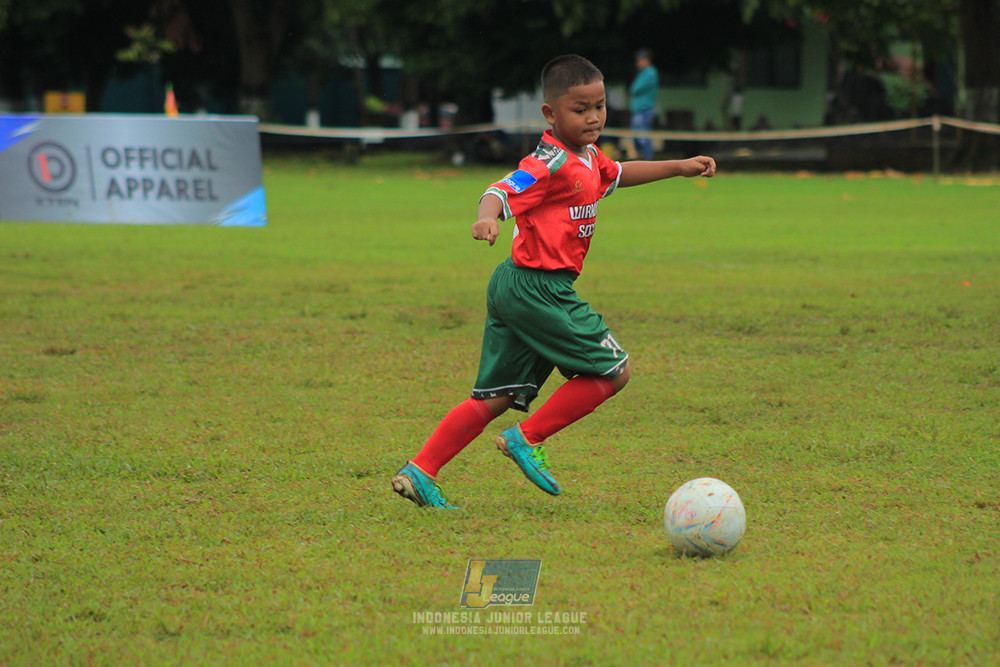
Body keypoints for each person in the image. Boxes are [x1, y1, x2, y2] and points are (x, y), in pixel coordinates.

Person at [391, 54, 716, 509]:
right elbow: (501, 189)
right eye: (579, 109)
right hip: (537, 289)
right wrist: (487, 219)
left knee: (498, 395)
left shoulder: (588, 157)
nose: (593, 117)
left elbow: (619, 174)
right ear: (550, 113)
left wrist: (678, 166)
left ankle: (420, 470)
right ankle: (528, 438)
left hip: (516, 285)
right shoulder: (549, 160)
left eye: (599, 106)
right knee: (613, 370)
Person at [629, 48, 659, 160]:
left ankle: (647, 160)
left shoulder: (650, 72)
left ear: (646, 60)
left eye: (640, 60)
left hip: (645, 110)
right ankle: (640, 159)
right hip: (638, 110)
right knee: (636, 137)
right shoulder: (642, 73)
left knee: (643, 137)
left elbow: (635, 88)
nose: (638, 63)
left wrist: (633, 88)